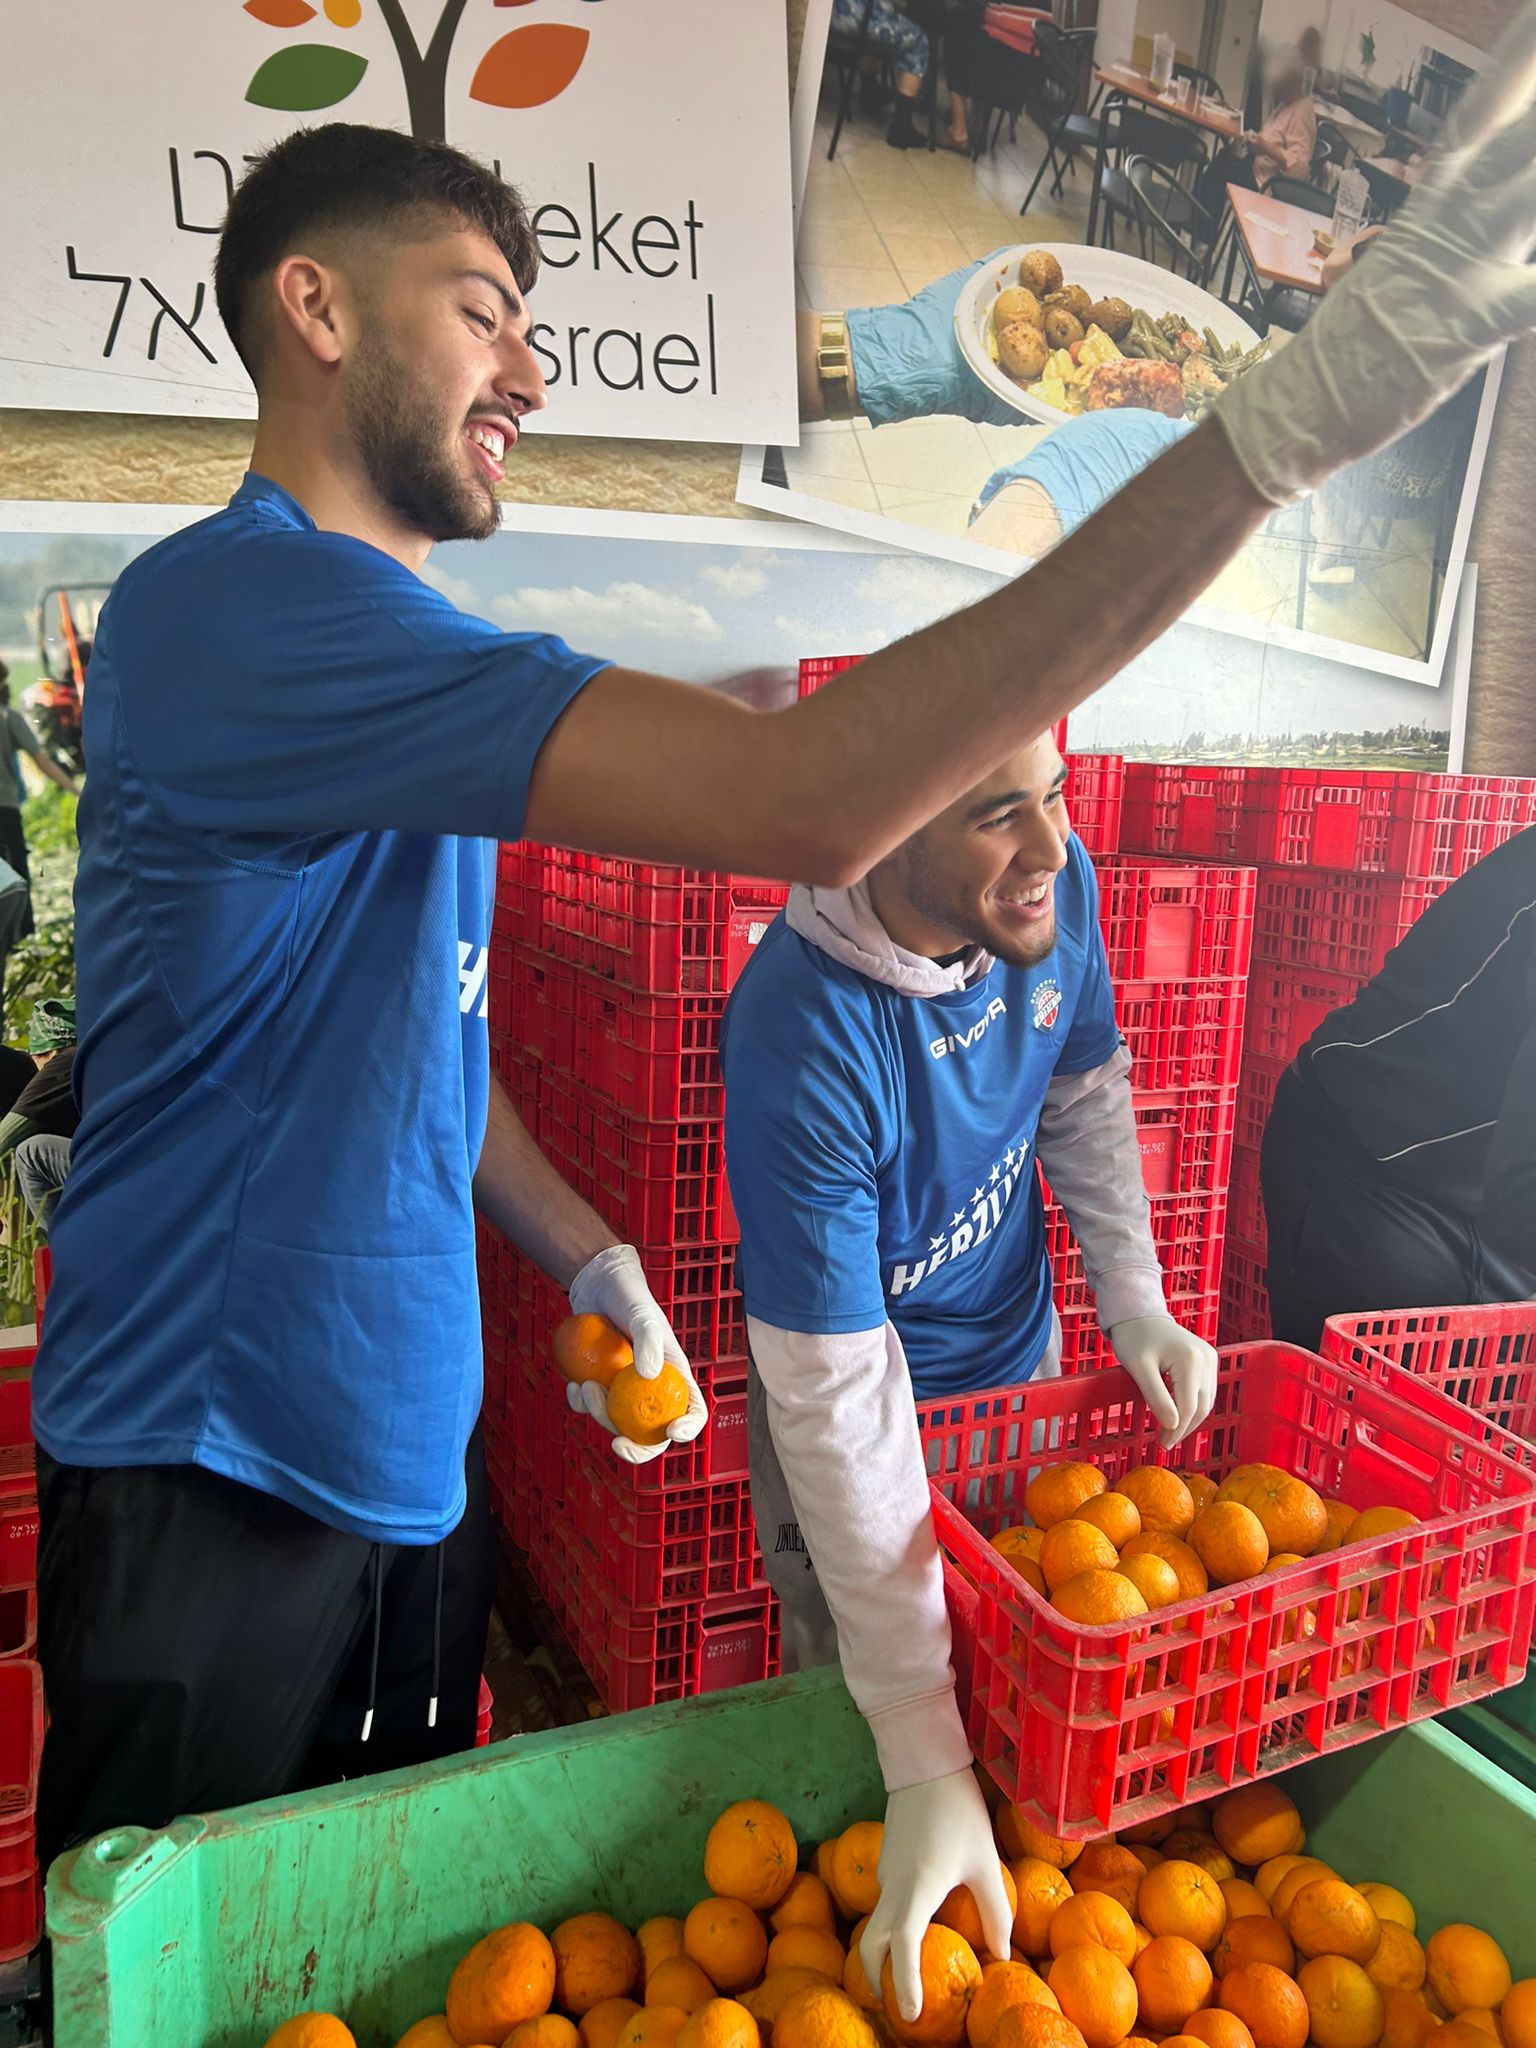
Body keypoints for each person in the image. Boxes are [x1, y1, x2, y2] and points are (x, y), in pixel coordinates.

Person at [29, 31, 1536, 2017]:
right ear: (314, 307)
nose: (531, 368)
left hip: (406, 1456)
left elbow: (422, 1048)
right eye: (481, 308)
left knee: (362, 1985)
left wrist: (592, 1252)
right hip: (215, 1459)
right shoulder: (237, 613)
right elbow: (813, 796)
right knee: (177, 1984)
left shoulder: (408, 668)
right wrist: (1294, 421)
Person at [720, 729, 1217, 1967]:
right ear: (887, 827)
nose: (1052, 844)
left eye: (1055, 798)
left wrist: (1134, 1294)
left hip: (1013, 1371)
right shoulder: (802, 1028)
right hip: (855, 1417)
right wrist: (914, 1736)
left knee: (1029, 1660)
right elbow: (835, 1396)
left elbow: (1082, 1086)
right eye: (1001, 815)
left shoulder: (1046, 886)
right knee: (866, 1714)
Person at [1261, 828, 1536, 1349]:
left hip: (1481, 1177)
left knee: (1482, 1395)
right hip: (1372, 1159)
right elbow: (1519, 1201)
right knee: (1358, 1394)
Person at [0, 662, 80, 940]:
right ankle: (24, 937)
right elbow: (42, 760)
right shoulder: (8, 717)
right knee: (17, 875)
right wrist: (76, 790)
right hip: (5, 809)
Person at [1198, 45, 1318, 212]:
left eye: (1278, 82)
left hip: (1266, 186)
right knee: (1224, 159)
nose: (1274, 87)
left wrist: (1265, 148)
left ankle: (1201, 222)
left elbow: (1299, 169)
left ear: (1292, 79)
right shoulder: (1286, 104)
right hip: (1257, 170)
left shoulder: (1302, 110)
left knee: (1220, 170)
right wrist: (1256, 144)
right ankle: (1201, 220)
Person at [0, 998, 80, 1234]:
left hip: (122, 1174)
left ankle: (61, 1251)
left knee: (31, 1153)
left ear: (50, 1051)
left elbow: (3, 1141)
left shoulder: (65, 1062)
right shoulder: (105, 1057)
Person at [831, 0, 932, 149]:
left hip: (833, 15)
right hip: (859, 20)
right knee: (918, 40)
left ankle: (869, 89)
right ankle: (901, 127)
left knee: (874, 28)